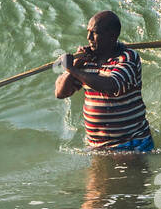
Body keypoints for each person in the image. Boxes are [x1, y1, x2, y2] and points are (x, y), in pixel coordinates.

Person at [54, 11, 154, 152]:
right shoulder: (86, 61)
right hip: (97, 147)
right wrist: (75, 66)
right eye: (88, 32)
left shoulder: (128, 57)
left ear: (112, 36)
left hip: (132, 143)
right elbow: (60, 93)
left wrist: (72, 69)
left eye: (94, 33)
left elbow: (111, 85)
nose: (89, 38)